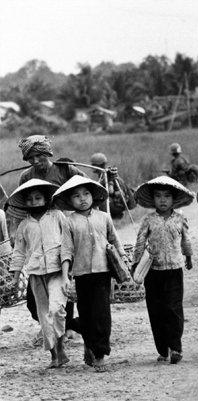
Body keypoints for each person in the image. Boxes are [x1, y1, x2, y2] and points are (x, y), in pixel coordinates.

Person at [5, 135, 84, 346]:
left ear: (48, 153)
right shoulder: (26, 176)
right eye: (30, 158)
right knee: (35, 300)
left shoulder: (65, 170)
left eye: (39, 156)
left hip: (62, 228)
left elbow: (85, 188)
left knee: (64, 284)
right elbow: (21, 206)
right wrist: (17, 233)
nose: (35, 162)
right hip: (37, 235)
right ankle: (51, 325)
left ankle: (66, 329)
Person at [55, 176, 128, 372]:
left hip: (103, 272)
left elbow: (115, 241)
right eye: (77, 196)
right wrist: (65, 276)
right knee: (86, 316)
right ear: (70, 201)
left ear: (93, 196)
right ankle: (90, 345)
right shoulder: (69, 222)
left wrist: (124, 263)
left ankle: (100, 354)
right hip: (81, 275)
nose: (82, 199)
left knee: (102, 315)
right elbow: (66, 250)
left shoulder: (103, 217)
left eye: (86, 194)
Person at [133, 176, 195, 365]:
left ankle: (176, 347)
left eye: (167, 196)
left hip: (174, 270)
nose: (162, 200)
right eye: (158, 196)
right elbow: (140, 242)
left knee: (174, 309)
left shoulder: (180, 219)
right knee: (156, 310)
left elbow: (186, 240)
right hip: (153, 271)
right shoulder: (148, 220)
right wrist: (136, 264)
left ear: (173, 199)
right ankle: (163, 349)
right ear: (153, 200)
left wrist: (189, 257)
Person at [8, 179, 70, 368]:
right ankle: (53, 355)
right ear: (25, 203)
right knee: (44, 316)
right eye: (30, 199)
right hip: (36, 273)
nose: (34, 202)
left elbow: (68, 241)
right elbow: (19, 252)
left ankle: (60, 346)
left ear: (46, 199)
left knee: (56, 309)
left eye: (38, 198)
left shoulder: (57, 216)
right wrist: (15, 277)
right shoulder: (24, 226)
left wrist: (69, 271)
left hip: (58, 270)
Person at [90, 153, 136, 220]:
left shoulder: (107, 175)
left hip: (118, 204)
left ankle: (110, 217)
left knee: (100, 200)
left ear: (98, 165)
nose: (92, 167)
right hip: (118, 202)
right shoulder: (104, 173)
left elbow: (110, 191)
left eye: (93, 165)